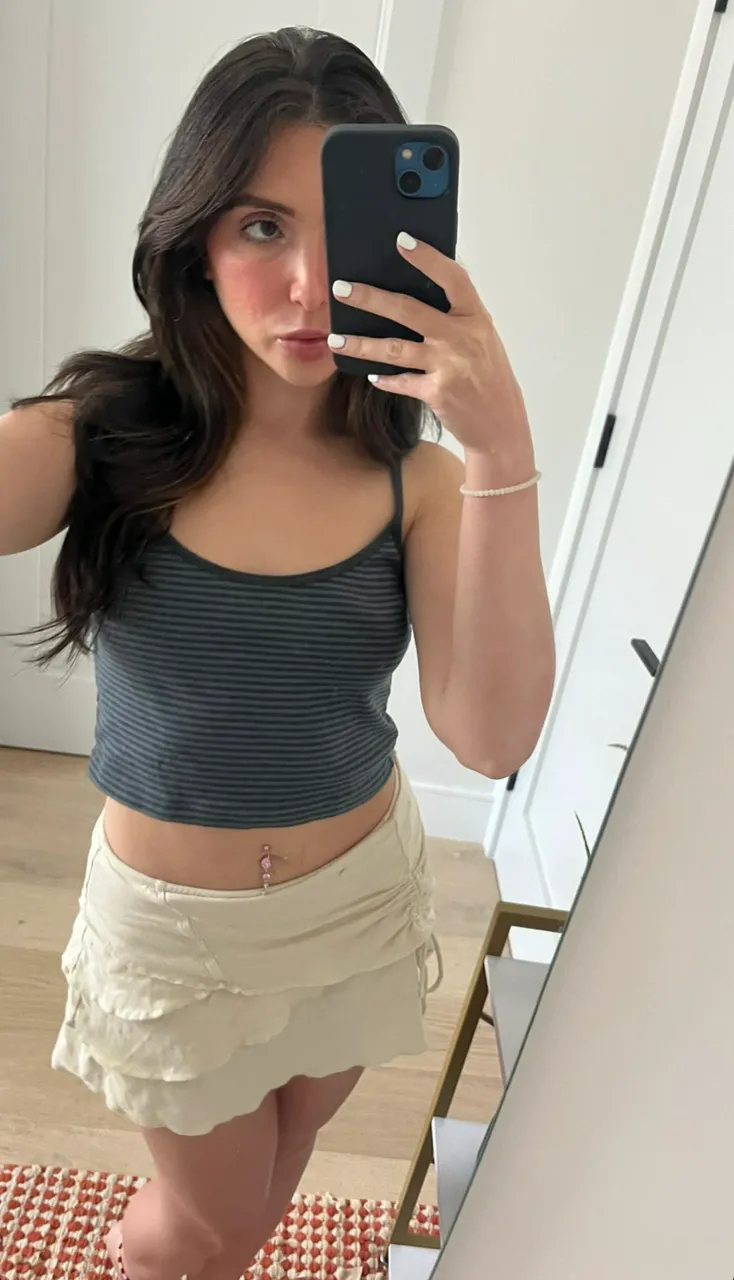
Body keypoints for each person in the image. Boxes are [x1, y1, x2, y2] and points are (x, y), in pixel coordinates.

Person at [0, 25, 555, 1280]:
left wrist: (501, 446)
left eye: (336, 229)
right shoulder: (100, 437)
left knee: (278, 1166)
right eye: (260, 226)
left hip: (356, 903)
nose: (307, 285)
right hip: (173, 942)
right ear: (194, 237)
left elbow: (491, 737)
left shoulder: (418, 483)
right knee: (208, 1223)